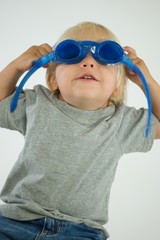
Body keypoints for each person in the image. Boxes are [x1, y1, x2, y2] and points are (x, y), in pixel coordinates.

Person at [0, 21, 159, 240]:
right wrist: (17, 66)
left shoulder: (122, 122)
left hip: (81, 230)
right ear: (53, 79)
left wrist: (146, 80)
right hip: (15, 220)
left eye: (105, 56)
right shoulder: (36, 103)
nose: (88, 63)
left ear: (117, 88)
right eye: (72, 53)